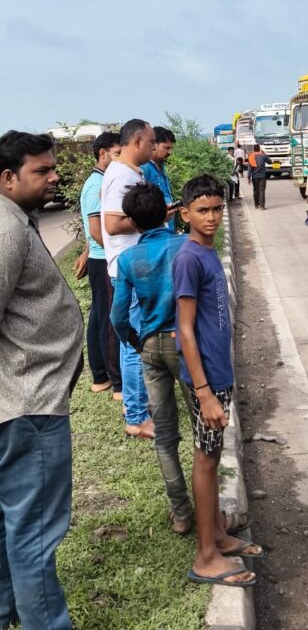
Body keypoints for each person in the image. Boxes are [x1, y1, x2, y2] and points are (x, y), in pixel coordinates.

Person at [0, 131, 84, 630]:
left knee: (12, 526)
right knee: (34, 535)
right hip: (30, 405)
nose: (54, 177)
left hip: (20, 401)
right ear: (7, 179)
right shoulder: (7, 230)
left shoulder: (16, 220)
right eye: (42, 170)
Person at [174, 174, 260, 587]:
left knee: (213, 451)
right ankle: (205, 556)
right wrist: (205, 391)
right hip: (204, 380)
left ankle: (219, 537)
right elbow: (185, 330)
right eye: (202, 210)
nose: (211, 217)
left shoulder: (209, 252)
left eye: (217, 209)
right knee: (206, 460)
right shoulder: (189, 258)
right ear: (185, 213)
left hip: (218, 375)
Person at [111, 184, 193, 534]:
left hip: (150, 347)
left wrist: (135, 340)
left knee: (164, 435)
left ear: (132, 221)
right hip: (186, 344)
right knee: (204, 425)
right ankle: (208, 504)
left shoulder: (128, 260)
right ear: (167, 212)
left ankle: (181, 512)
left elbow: (118, 316)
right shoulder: (186, 246)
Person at [101, 119, 156, 438]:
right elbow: (112, 224)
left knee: (130, 342)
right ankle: (136, 416)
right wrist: (151, 220)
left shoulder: (129, 172)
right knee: (136, 344)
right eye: (150, 143)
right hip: (129, 270)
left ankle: (134, 406)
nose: (152, 148)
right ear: (137, 141)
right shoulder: (121, 175)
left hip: (130, 268)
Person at [78, 131, 123, 400]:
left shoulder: (100, 180)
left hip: (97, 258)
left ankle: (99, 376)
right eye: (117, 153)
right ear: (103, 153)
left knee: (99, 316)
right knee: (108, 321)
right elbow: (96, 230)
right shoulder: (96, 184)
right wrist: (117, 253)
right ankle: (116, 381)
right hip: (103, 259)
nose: (120, 159)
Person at [141, 126, 178, 231]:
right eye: (166, 148)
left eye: (171, 148)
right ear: (154, 145)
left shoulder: (161, 166)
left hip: (168, 226)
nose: (169, 152)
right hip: (156, 229)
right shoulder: (144, 168)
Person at [247, 143, 272, 209]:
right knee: (262, 190)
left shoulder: (251, 156)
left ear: (253, 149)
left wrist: (248, 177)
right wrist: (265, 154)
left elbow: (249, 168)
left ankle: (256, 205)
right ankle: (262, 206)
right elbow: (270, 162)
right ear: (259, 149)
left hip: (255, 177)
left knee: (255, 190)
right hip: (262, 176)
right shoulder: (263, 156)